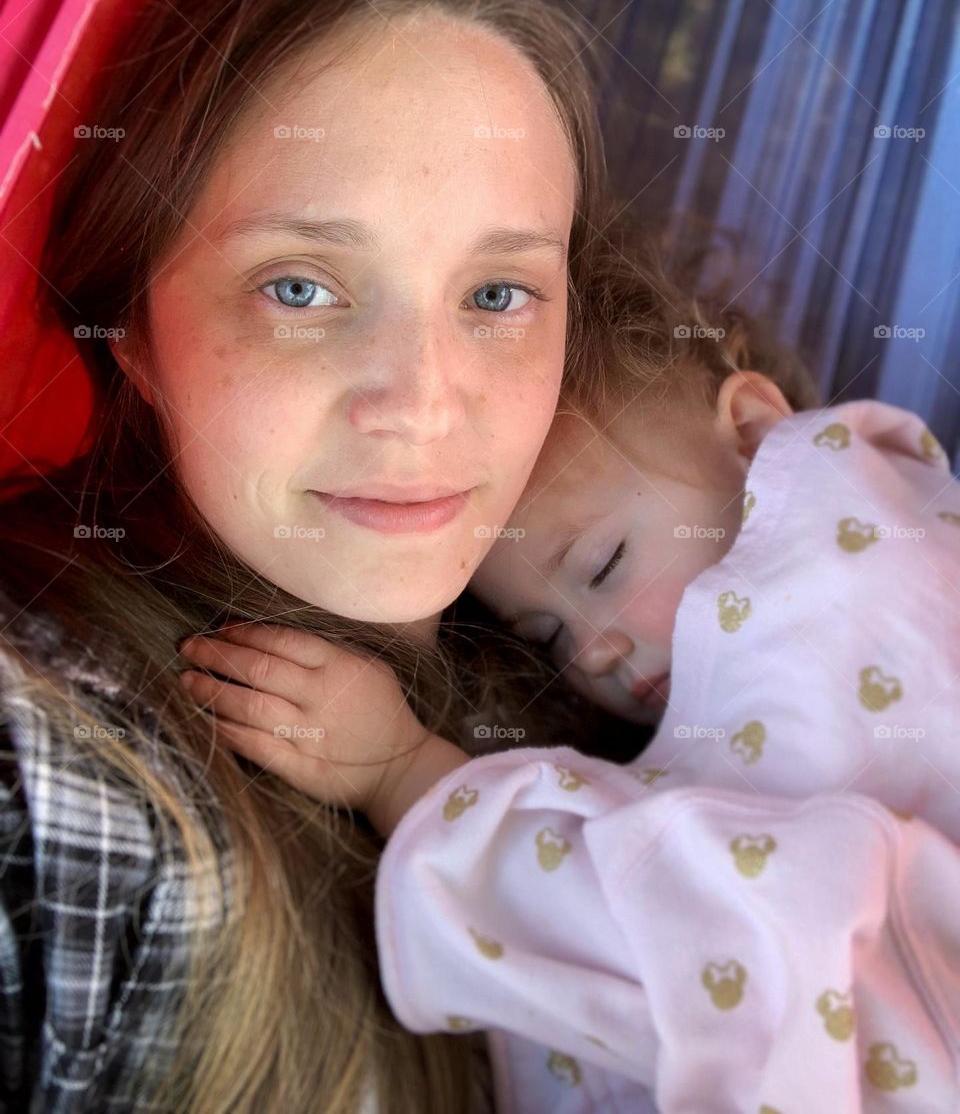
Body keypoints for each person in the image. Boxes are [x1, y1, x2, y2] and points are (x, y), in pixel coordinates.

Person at [0, 0, 631, 1110]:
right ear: (134, 332)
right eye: (300, 287)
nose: (423, 403)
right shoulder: (59, 779)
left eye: (497, 294)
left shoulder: (632, 677)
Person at [185, 238, 960, 1111]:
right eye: (547, 635)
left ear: (752, 430)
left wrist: (401, 771)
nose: (592, 652)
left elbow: (683, 926)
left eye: (604, 566)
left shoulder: (874, 550)